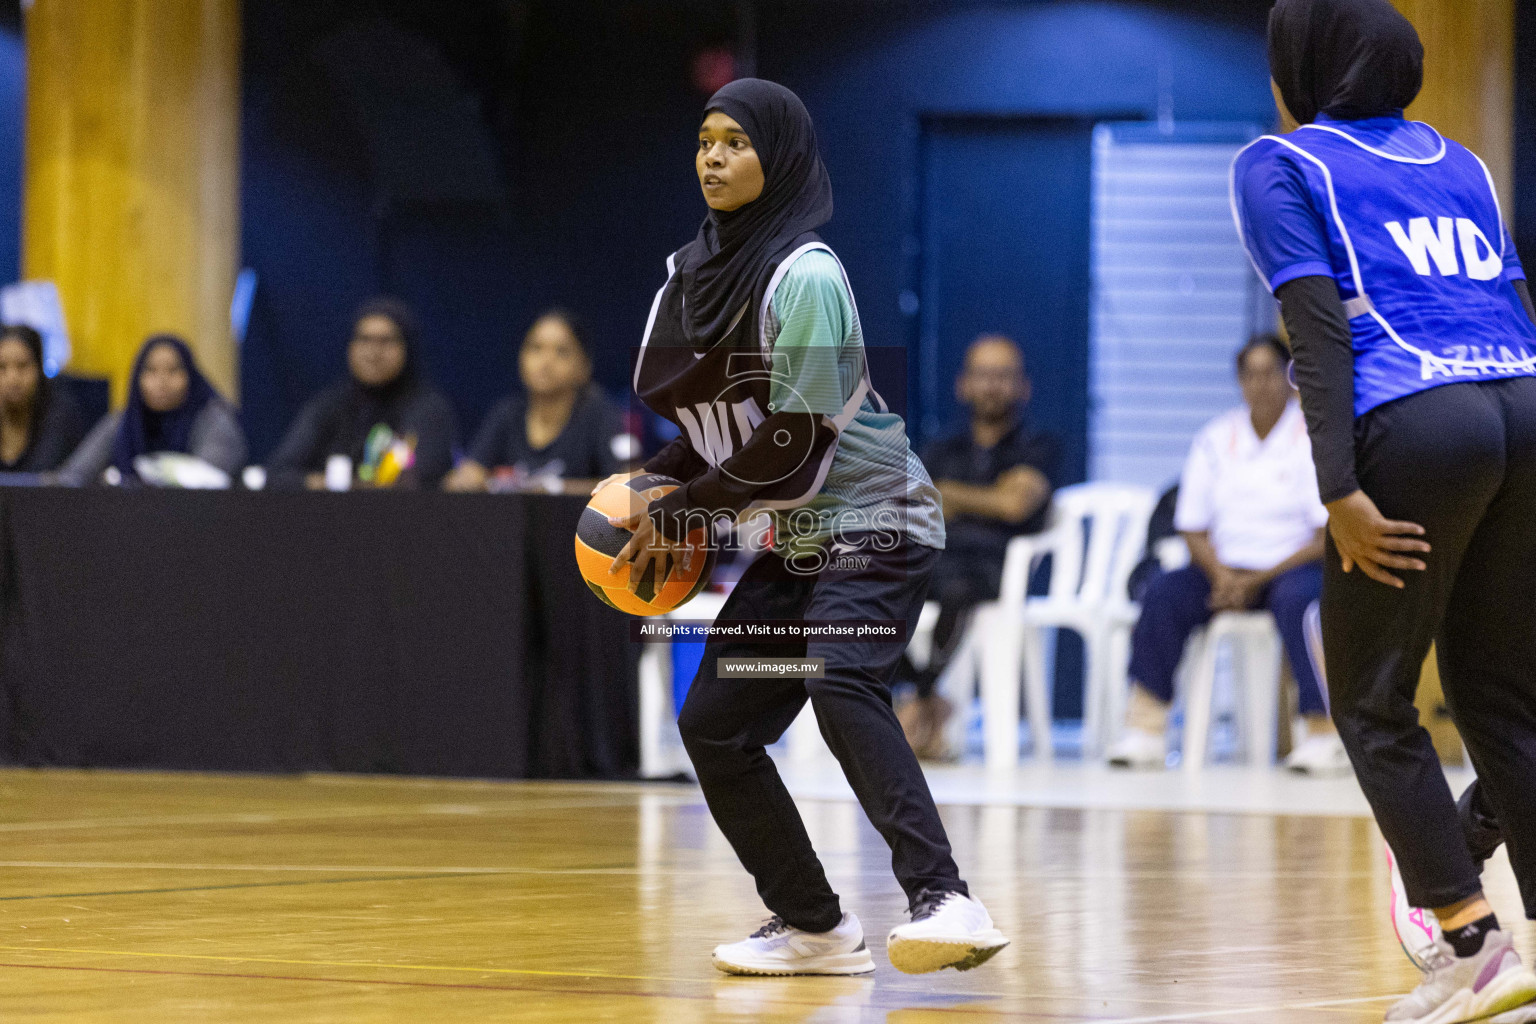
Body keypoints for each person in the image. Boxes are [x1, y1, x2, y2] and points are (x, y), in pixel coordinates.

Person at [596, 78, 1008, 977]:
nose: (713, 155)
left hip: (875, 518)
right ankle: (813, 924)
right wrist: (643, 490)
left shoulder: (808, 274)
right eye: (704, 139)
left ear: (777, 158)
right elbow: (709, 431)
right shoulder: (684, 276)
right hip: (797, 537)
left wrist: (689, 505)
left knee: (839, 677)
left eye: (736, 142)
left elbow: (790, 443)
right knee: (714, 720)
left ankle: (946, 899)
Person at [1233, 1, 1536, 1020]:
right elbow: (1512, 305)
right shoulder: (1463, 161)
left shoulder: (1282, 161)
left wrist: (1337, 489)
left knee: (1368, 698)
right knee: (1502, 698)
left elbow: (1314, 333)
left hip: (1418, 422)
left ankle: (1472, 944)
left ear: (1301, 61)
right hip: (1524, 405)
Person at [1105, 335, 1336, 773]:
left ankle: (1322, 733)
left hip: (1292, 567)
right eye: (1250, 374)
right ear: (1239, 381)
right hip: (1224, 569)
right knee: (1164, 594)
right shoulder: (1215, 437)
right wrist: (1224, 577)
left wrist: (1256, 580)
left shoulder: (1313, 435)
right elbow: (1192, 526)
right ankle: (1146, 728)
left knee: (1300, 603)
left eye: (1270, 372)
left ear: (1290, 378)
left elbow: (1325, 534)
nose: (1260, 383)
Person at [896, 334, 1057, 760]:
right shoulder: (940, 448)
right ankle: (926, 696)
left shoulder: (1039, 445)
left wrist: (951, 493)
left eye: (1003, 376)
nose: (992, 386)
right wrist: (985, 497)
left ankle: (919, 703)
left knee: (957, 585)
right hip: (936, 558)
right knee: (867, 585)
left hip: (997, 567)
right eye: (983, 375)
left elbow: (1015, 503)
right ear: (963, 384)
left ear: (1023, 386)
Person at [267, 297, 457, 490]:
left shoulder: (428, 410)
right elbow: (278, 472)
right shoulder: (330, 405)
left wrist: (351, 488)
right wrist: (325, 484)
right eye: (364, 339)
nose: (373, 353)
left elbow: (420, 479)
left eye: (386, 341)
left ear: (406, 348)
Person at [444, 310, 634, 494]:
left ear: (584, 366)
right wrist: (467, 479)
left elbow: (626, 485)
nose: (546, 361)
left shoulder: (601, 415)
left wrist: (555, 489)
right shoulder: (509, 412)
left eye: (562, 352)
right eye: (536, 348)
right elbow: (469, 471)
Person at [59, 333, 246, 487]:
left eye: (173, 370)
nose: (162, 382)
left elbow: (209, 478)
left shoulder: (214, 419)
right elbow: (73, 476)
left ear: (191, 377)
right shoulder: (123, 421)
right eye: (150, 371)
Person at [0, 325, 85, 474]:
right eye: (2, 367)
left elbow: (41, 478)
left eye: (22, 366)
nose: (12, 379)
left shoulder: (61, 416)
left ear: (39, 369)